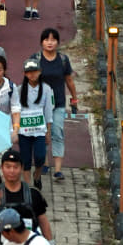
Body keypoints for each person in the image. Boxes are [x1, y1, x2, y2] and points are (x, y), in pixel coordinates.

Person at [0, 147, 53, 241]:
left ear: (21, 168)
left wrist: (50, 244)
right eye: (8, 167)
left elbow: (43, 221)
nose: (12, 171)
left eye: (15, 167)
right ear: (2, 168)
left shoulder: (33, 193)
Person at [34, 28, 78, 182]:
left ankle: (58, 170)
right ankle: (45, 163)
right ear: (41, 42)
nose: (50, 42)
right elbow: (29, 81)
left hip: (58, 103)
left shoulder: (63, 60)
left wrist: (74, 98)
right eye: (46, 39)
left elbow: (69, 80)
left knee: (57, 132)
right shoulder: (36, 59)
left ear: (58, 42)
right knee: (42, 133)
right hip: (39, 104)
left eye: (53, 40)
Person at [16, 58, 53, 189]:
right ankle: (28, 187)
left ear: (40, 71)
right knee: (25, 160)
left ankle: (37, 176)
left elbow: (48, 112)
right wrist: (14, 131)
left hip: (39, 131)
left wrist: (48, 131)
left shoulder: (47, 89)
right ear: (25, 74)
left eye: (35, 71)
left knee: (40, 157)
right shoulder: (19, 90)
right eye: (29, 72)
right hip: (24, 131)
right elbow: (15, 111)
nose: (32, 74)